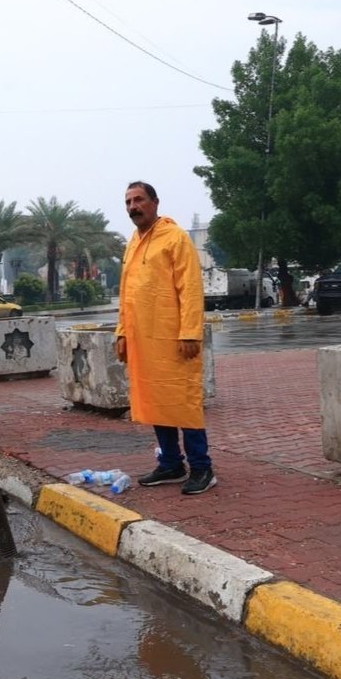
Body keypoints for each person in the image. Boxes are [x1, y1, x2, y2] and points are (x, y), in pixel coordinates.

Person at [114, 181, 215, 495]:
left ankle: (202, 467)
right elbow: (126, 293)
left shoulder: (175, 238)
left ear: (155, 202)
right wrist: (121, 332)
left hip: (174, 339)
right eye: (129, 202)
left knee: (183, 401)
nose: (133, 207)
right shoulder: (133, 242)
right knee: (157, 401)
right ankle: (172, 463)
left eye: (139, 200)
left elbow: (191, 288)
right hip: (144, 340)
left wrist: (189, 332)